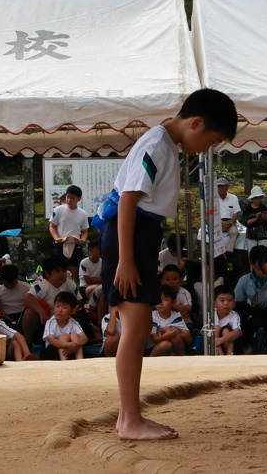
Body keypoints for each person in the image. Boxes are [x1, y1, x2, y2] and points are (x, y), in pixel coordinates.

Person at [100, 87, 236, 440]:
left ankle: (127, 417)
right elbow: (128, 199)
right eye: (212, 141)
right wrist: (127, 259)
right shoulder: (157, 144)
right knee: (137, 327)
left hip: (139, 235)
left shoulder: (165, 145)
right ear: (196, 123)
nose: (207, 148)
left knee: (139, 325)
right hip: (128, 236)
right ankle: (129, 420)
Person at [21, 255, 78, 343]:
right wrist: (42, 313)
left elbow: (79, 302)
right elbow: (27, 297)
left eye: (64, 271)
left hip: (67, 323)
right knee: (29, 312)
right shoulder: (42, 286)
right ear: (47, 273)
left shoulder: (70, 284)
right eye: (57, 271)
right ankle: (28, 342)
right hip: (45, 324)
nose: (62, 274)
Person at [49, 185, 89, 277]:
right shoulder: (58, 210)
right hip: (61, 242)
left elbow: (84, 231)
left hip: (75, 243)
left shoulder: (82, 213)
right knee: (59, 270)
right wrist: (56, 238)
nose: (69, 200)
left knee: (73, 272)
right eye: (68, 197)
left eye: (73, 198)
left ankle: (72, 285)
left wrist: (82, 240)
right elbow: (52, 226)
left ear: (79, 199)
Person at [41, 291, 88, 360]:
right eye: (57, 306)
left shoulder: (73, 323)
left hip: (71, 351)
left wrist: (75, 345)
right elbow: (51, 340)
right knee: (64, 335)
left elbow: (84, 338)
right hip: (52, 351)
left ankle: (80, 360)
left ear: (72, 310)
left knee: (74, 335)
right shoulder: (51, 322)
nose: (60, 310)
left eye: (64, 307)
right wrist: (67, 345)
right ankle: (64, 361)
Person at [149, 285, 193, 356]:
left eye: (165, 300)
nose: (160, 303)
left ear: (173, 302)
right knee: (166, 344)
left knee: (174, 336)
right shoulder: (152, 316)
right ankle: (150, 359)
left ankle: (181, 357)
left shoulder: (176, 316)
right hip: (157, 347)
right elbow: (155, 339)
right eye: (158, 300)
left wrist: (171, 332)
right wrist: (166, 335)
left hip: (174, 349)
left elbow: (188, 338)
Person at [159, 264, 194, 330]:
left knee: (184, 312)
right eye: (167, 279)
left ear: (180, 281)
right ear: (162, 281)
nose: (171, 282)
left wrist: (173, 306)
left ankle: (189, 330)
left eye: (175, 279)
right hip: (162, 316)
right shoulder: (158, 292)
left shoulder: (184, 292)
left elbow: (188, 308)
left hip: (178, 318)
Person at [241, 186, 267, 253]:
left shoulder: (265, 208)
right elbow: (246, 222)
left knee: (263, 254)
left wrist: (266, 218)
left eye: (260, 198)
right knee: (252, 254)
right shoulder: (247, 209)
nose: (258, 200)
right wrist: (256, 218)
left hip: (263, 235)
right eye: (256, 198)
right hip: (251, 235)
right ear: (252, 199)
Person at [213, 285, 242, 355]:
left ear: (234, 303)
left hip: (229, 342)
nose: (226, 303)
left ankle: (229, 357)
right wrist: (217, 344)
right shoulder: (212, 314)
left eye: (230, 300)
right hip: (213, 342)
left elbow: (237, 332)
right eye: (222, 300)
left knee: (226, 330)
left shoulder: (234, 315)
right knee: (216, 327)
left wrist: (221, 340)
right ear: (214, 303)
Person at [216, 178, 242, 254]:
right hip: (218, 222)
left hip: (230, 221)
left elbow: (236, 213)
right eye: (219, 186)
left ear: (227, 187)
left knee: (235, 232)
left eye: (223, 186)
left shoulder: (233, 198)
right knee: (214, 234)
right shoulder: (213, 199)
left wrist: (230, 223)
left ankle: (228, 251)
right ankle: (217, 252)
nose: (221, 188)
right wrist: (219, 224)